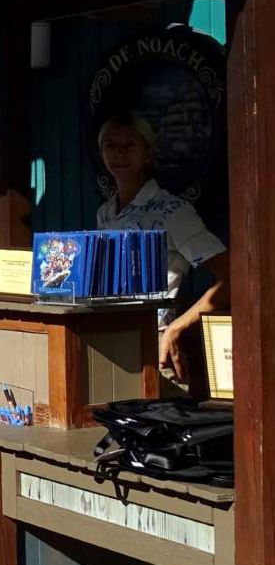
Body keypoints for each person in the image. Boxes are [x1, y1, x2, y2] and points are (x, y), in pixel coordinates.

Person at [95, 114, 229, 384]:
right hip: (108, 341)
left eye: (129, 145)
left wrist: (177, 327)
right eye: (111, 146)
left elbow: (232, 278)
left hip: (155, 344)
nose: (120, 153)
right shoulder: (105, 213)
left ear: (147, 153)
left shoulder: (172, 211)